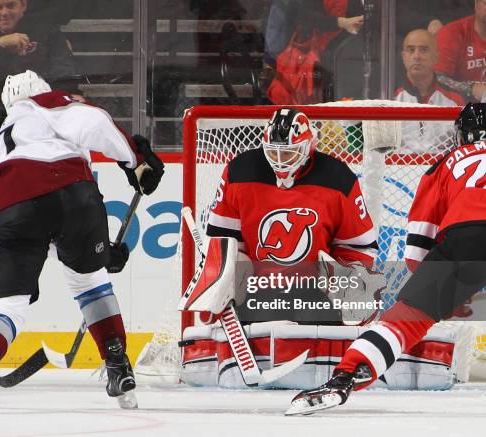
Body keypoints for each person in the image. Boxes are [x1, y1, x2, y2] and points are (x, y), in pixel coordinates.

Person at [0, 70, 165, 410]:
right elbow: (96, 122)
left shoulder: (1, 137)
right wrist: (135, 158)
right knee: (91, 282)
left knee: (7, 303)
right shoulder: (50, 102)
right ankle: (118, 365)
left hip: (11, 204)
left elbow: (35, 209)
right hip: (75, 195)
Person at [287, 103, 486, 416]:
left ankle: (346, 376)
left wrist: (429, 295)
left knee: (405, 320)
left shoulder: (444, 164)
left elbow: (418, 247)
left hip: (464, 239)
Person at [202, 108, 378, 324]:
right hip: (258, 292)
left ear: (308, 147)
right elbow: (220, 242)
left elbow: (360, 248)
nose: (279, 160)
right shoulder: (239, 172)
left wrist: (348, 287)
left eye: (288, 152)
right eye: (273, 151)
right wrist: (223, 284)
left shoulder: (338, 178)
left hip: (315, 294)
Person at [0, 0, 76, 88]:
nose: (4, 13)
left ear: (23, 5)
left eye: (11, 6)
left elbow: (64, 70)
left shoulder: (46, 32)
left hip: (40, 100)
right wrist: (0, 45)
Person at [395, 29, 465, 153]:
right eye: (411, 50)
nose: (416, 56)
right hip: (397, 169)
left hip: (442, 169)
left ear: (436, 57)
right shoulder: (390, 98)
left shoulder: (455, 100)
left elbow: (464, 147)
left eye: (423, 50)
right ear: (403, 56)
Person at [435, 0, 486, 102]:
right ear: (476, 3)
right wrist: (470, 88)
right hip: (458, 108)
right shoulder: (451, 33)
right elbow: (437, 78)